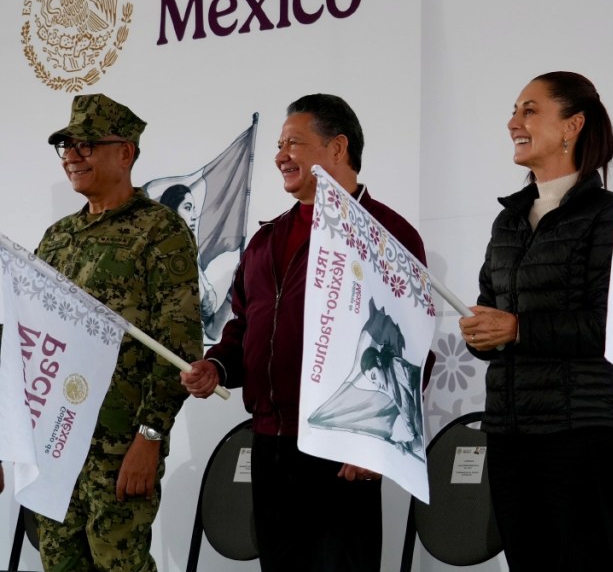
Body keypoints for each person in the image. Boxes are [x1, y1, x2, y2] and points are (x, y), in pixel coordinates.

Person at [180, 93, 426, 572]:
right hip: (270, 443)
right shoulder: (265, 239)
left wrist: (375, 442)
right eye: (278, 144)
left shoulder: (386, 234)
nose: (279, 156)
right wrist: (217, 365)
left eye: (294, 142)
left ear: (337, 148)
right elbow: (244, 325)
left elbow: (412, 350)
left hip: (341, 447)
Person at [458, 71, 613, 571]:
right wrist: (481, 336)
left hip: (582, 431)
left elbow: (612, 326)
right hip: (510, 432)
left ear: (573, 124)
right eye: (515, 110)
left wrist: (517, 329)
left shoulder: (611, 215)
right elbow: (491, 305)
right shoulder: (508, 220)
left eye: (529, 110)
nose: (513, 122)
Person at [35, 93, 202, 571]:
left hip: (119, 448)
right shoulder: (56, 239)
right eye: (66, 145)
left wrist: (150, 436)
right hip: (57, 445)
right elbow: (32, 341)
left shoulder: (159, 231)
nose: (72, 155)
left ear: (125, 152)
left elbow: (177, 347)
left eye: (86, 144)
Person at [159, 184, 218, 323]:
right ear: (172, 212)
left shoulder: (191, 257)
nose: (194, 216)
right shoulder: (161, 257)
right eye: (187, 208)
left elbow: (211, 329)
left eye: (194, 209)